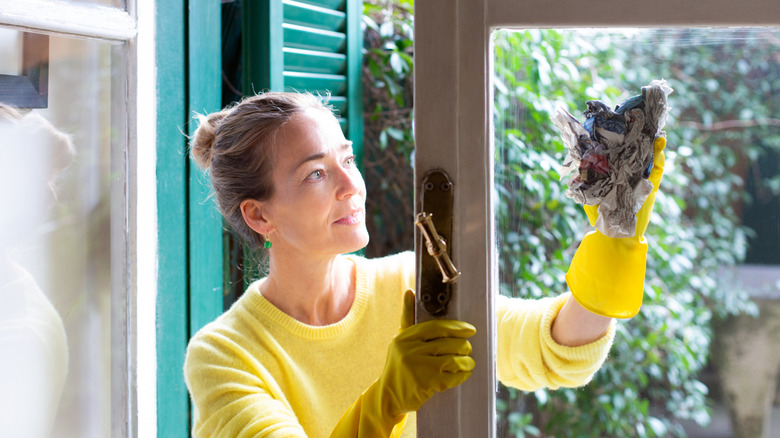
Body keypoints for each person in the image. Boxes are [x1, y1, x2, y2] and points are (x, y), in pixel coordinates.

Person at [184, 91, 665, 437]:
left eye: (347, 160)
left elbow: (551, 348)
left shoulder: (413, 283)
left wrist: (615, 237)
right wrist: (386, 400)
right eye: (315, 173)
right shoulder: (225, 356)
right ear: (259, 214)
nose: (351, 186)